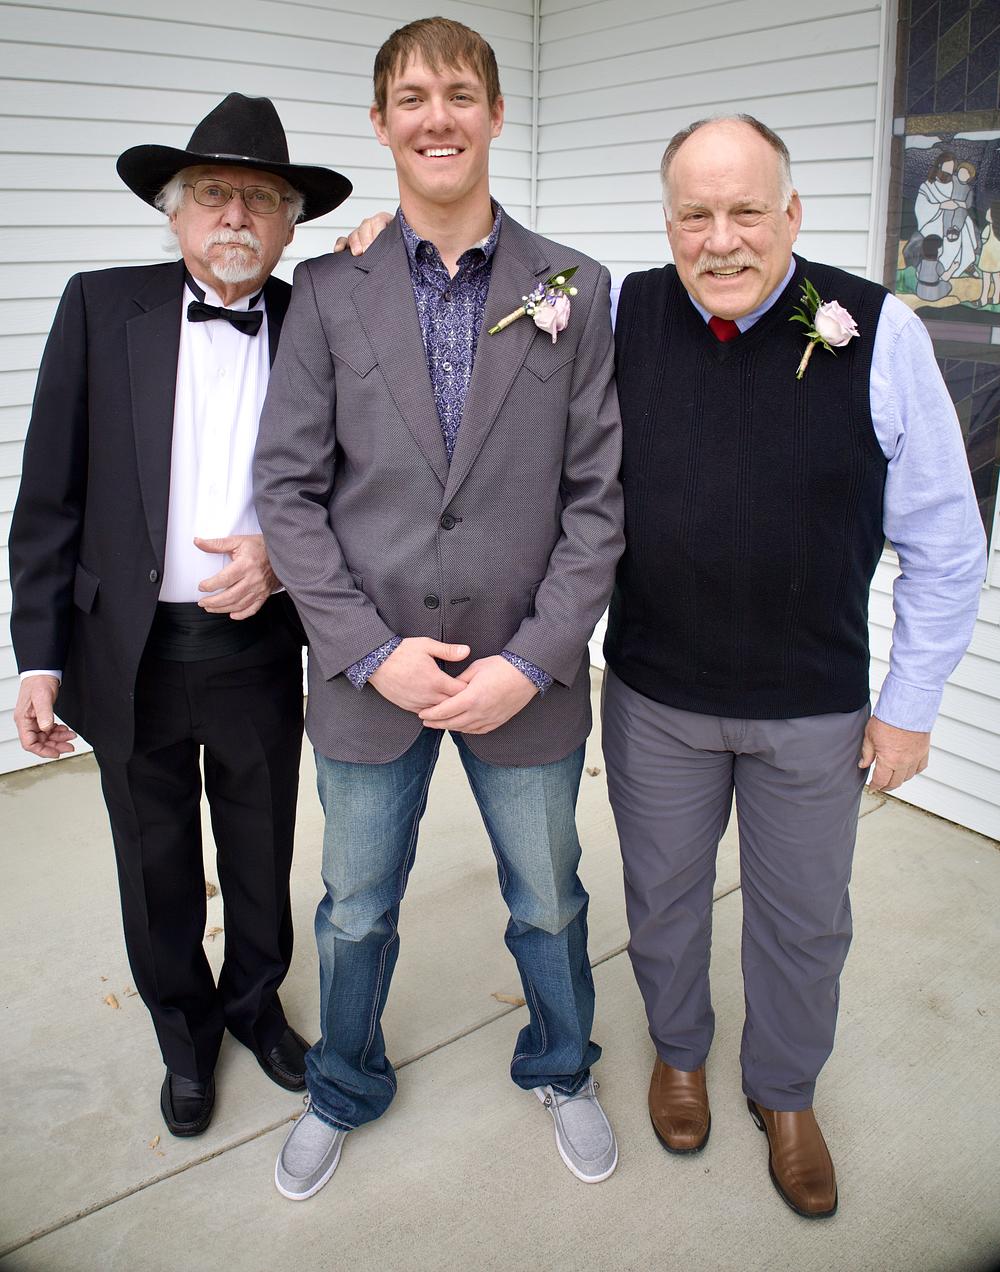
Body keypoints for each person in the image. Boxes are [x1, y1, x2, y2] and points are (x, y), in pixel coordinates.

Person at [254, 17, 623, 1200]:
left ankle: (561, 1064)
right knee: (356, 908)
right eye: (411, 97)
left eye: (459, 93)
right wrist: (367, 652)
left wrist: (534, 659)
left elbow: (597, 500)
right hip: (372, 679)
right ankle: (342, 1083)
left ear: (496, 114)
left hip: (525, 675)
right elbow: (288, 491)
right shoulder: (328, 290)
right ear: (380, 123)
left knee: (549, 899)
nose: (437, 117)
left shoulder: (574, 288)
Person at [601, 115, 986, 1218]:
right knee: (663, 901)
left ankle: (784, 1091)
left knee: (804, 920)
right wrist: (385, 239)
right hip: (656, 696)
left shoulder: (880, 328)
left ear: (793, 214)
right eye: (694, 214)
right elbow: (498, 325)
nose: (720, 239)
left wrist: (909, 707)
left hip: (811, 708)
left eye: (745, 211)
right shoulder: (623, 314)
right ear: (667, 221)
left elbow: (945, 541)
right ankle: (679, 1051)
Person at [8, 94, 352, 1137]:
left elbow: (360, 488)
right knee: (153, 857)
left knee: (259, 843)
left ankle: (255, 1005)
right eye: (212, 193)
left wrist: (282, 565)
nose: (235, 215)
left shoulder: (320, 318)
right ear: (174, 210)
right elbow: (49, 495)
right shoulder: (98, 305)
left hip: (258, 641)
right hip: (129, 649)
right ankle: (184, 1031)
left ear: (291, 224)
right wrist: (38, 657)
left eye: (261, 198)